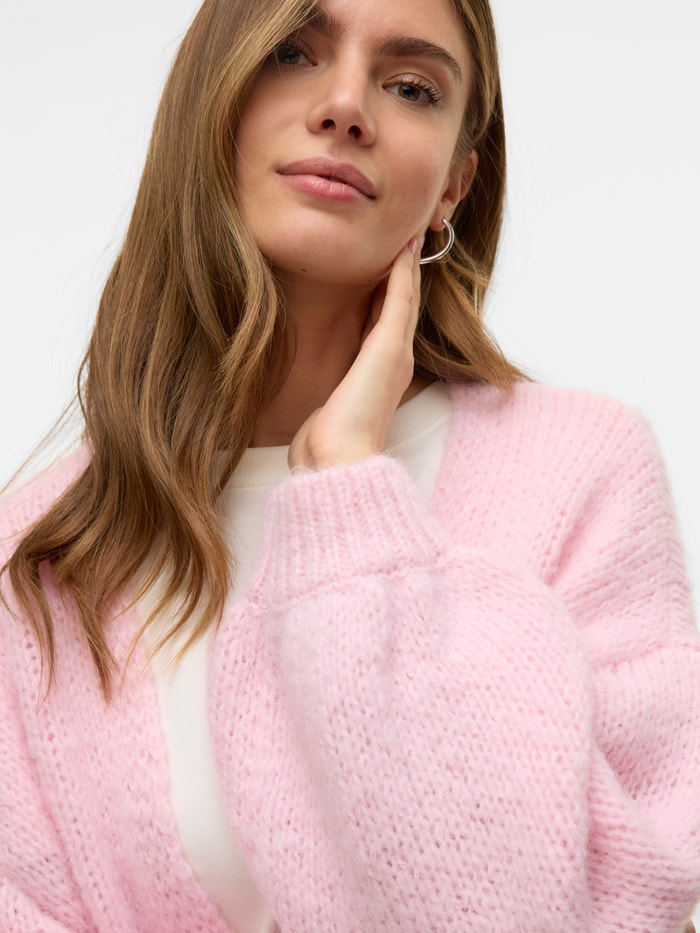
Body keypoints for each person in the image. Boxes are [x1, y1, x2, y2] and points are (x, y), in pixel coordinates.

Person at [1, 0, 699, 929]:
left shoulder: (579, 471)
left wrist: (347, 499)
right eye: (292, 53)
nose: (345, 107)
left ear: (454, 185)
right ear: (209, 101)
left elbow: (606, 906)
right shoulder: (36, 557)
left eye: (411, 87)